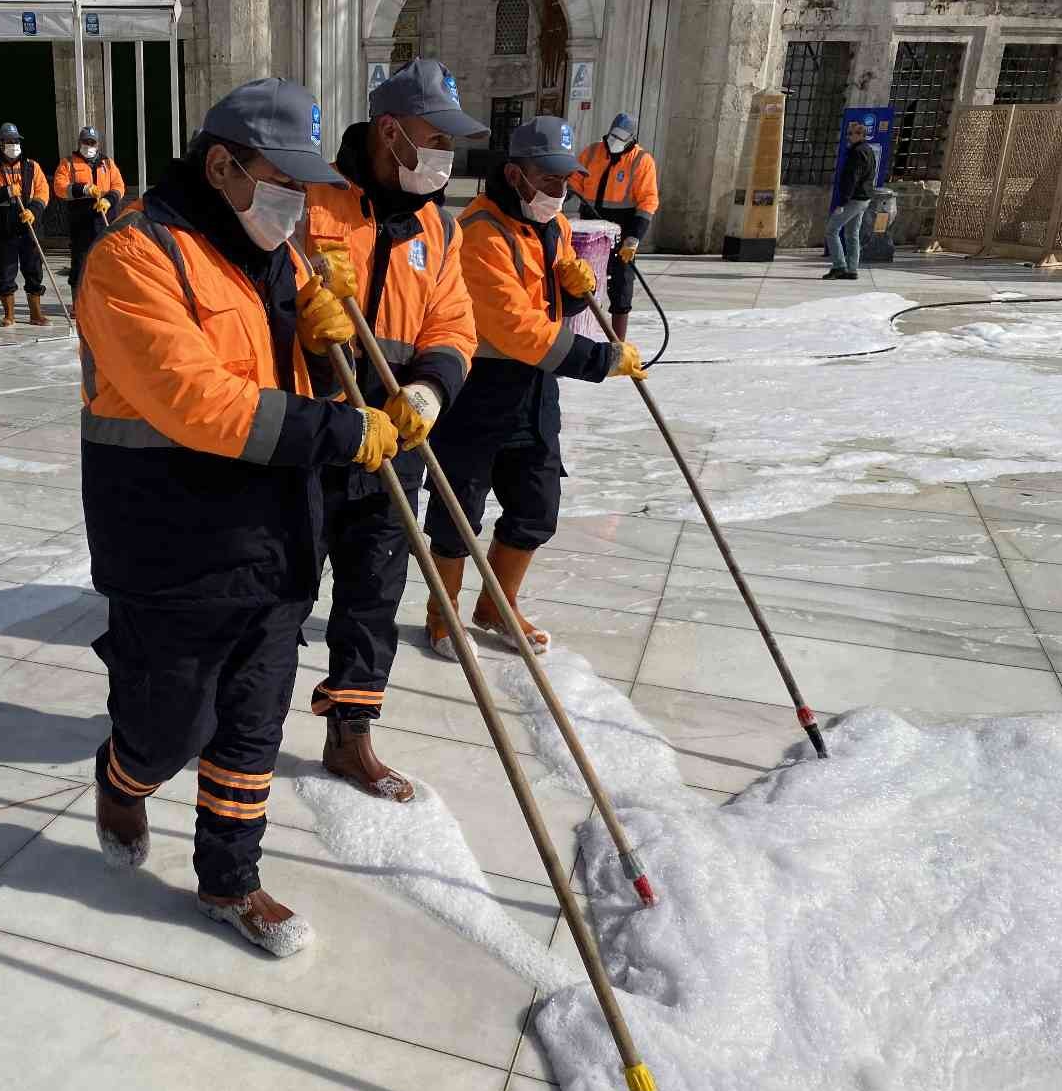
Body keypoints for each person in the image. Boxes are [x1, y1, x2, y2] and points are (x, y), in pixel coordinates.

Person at [78, 77, 398, 957]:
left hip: (276, 532)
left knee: (253, 723)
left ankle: (229, 881)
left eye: (306, 184)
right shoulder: (133, 256)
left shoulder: (279, 256)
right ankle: (121, 776)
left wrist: (333, 344)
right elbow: (197, 401)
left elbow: (290, 367)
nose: (297, 202)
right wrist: (344, 427)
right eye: (281, 180)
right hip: (172, 541)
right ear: (221, 166)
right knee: (169, 726)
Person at [295, 58, 483, 802]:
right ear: (389, 133)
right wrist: (303, 324)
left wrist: (431, 390)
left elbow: (454, 322)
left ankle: (351, 735)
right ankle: (235, 728)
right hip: (311, 435)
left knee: (373, 596)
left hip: (395, 441)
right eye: (435, 140)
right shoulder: (309, 197)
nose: (446, 158)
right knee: (279, 594)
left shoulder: (438, 227)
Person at [423, 117, 647, 659]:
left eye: (567, 179)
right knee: (459, 513)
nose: (560, 190)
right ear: (515, 175)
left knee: (536, 507)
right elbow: (515, 328)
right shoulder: (479, 233)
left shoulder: (553, 227)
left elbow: (549, 309)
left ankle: (497, 605)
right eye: (549, 179)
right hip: (478, 391)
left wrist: (575, 293)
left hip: (534, 392)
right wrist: (602, 357)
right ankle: (443, 615)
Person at [570, 113, 659, 342]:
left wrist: (634, 238)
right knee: (584, 279)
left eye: (620, 136)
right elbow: (574, 181)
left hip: (623, 230)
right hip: (591, 229)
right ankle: (580, 331)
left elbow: (648, 200)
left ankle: (617, 342)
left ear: (631, 138)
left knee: (621, 282)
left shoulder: (641, 161)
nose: (614, 140)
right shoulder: (592, 153)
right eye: (612, 135)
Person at [0, 122, 51, 327]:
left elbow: (43, 192)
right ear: (0, 144)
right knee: (6, 270)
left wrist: (33, 211)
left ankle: (36, 313)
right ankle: (9, 314)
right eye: (9, 141)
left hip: (28, 224)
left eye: (16, 141)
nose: (14, 145)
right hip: (3, 226)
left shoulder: (32, 166)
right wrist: (5, 192)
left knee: (33, 269)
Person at [52, 125, 124, 305]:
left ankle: (105, 302)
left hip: (105, 217)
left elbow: (118, 186)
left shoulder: (107, 163)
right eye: (86, 142)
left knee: (107, 261)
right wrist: (82, 189)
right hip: (81, 219)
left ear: (98, 144)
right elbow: (60, 187)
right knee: (80, 262)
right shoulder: (67, 163)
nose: (89, 145)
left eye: (92, 142)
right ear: (79, 143)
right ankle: (79, 303)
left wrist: (109, 200)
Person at [825, 121, 873, 281]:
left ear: (859, 135)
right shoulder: (868, 150)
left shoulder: (857, 152)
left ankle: (839, 266)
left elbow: (852, 178)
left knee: (832, 230)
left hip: (854, 198)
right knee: (852, 233)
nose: (848, 137)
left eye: (850, 133)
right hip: (864, 198)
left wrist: (842, 201)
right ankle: (852, 269)